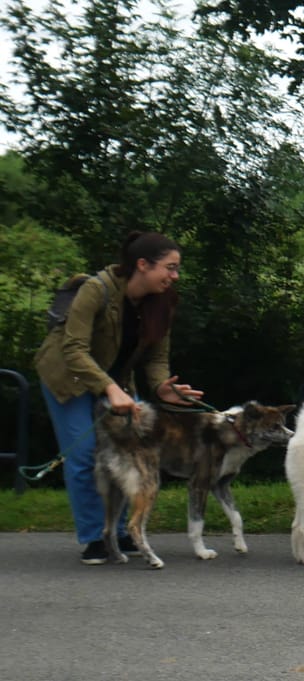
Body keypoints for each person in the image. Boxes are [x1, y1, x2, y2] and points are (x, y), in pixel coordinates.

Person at [35, 231, 205, 565]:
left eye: (177, 269)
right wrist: (109, 389)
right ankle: (95, 537)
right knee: (84, 456)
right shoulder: (96, 290)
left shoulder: (162, 301)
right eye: (169, 268)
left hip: (117, 382)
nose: (175, 276)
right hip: (69, 378)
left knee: (132, 454)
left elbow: (156, 359)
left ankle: (121, 532)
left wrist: (161, 388)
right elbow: (74, 349)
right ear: (142, 265)